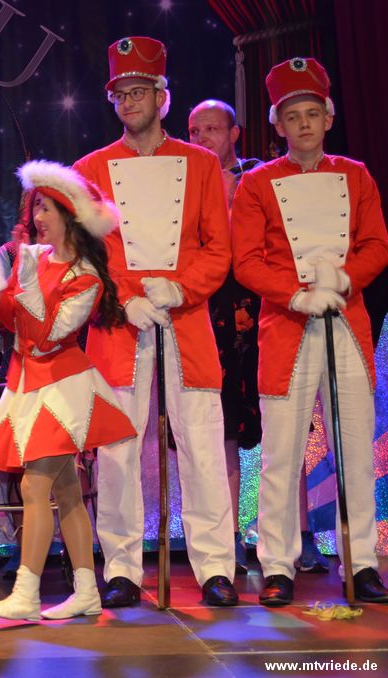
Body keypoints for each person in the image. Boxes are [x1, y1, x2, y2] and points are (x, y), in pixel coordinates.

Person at [73, 36, 240, 608]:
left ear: (162, 97)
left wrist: (180, 288)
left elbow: (218, 248)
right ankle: (121, 567)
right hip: (119, 324)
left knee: (202, 444)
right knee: (118, 449)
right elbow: (87, 253)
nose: (129, 101)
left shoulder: (201, 164)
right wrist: (125, 297)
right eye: (121, 93)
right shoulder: (89, 169)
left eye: (139, 91)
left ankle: (215, 566)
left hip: (185, 319)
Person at [230, 57, 388, 606]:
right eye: (292, 115)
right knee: (282, 453)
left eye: (312, 114)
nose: (303, 124)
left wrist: (343, 280)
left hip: (347, 321)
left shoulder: (357, 175)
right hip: (286, 326)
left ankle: (361, 562)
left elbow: (377, 245)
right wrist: (296, 295)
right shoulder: (257, 183)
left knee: (356, 450)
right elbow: (247, 260)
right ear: (277, 123)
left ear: (328, 118)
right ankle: (278, 564)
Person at [0, 161, 136, 621]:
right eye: (36, 207)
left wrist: (20, 290)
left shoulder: (86, 278)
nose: (38, 217)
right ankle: (87, 591)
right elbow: (7, 321)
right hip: (26, 384)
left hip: (61, 389)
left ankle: (27, 592)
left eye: (48, 208)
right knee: (68, 491)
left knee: (34, 485)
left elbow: (46, 338)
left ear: (70, 216)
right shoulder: (35, 258)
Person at [188, 99, 328, 574]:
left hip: (266, 309)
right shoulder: (186, 181)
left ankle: (299, 535)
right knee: (221, 428)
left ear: (235, 133)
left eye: (211, 129)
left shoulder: (258, 176)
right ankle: (229, 539)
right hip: (210, 313)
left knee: (285, 427)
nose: (202, 138)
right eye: (194, 131)